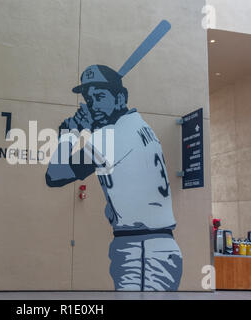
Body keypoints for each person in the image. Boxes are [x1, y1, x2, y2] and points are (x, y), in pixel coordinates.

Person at [45, 65, 183, 291]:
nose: (93, 106)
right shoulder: (139, 125)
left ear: (120, 99)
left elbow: (55, 174)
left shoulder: (111, 136)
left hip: (142, 252)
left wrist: (69, 133)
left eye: (100, 97)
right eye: (89, 100)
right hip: (153, 247)